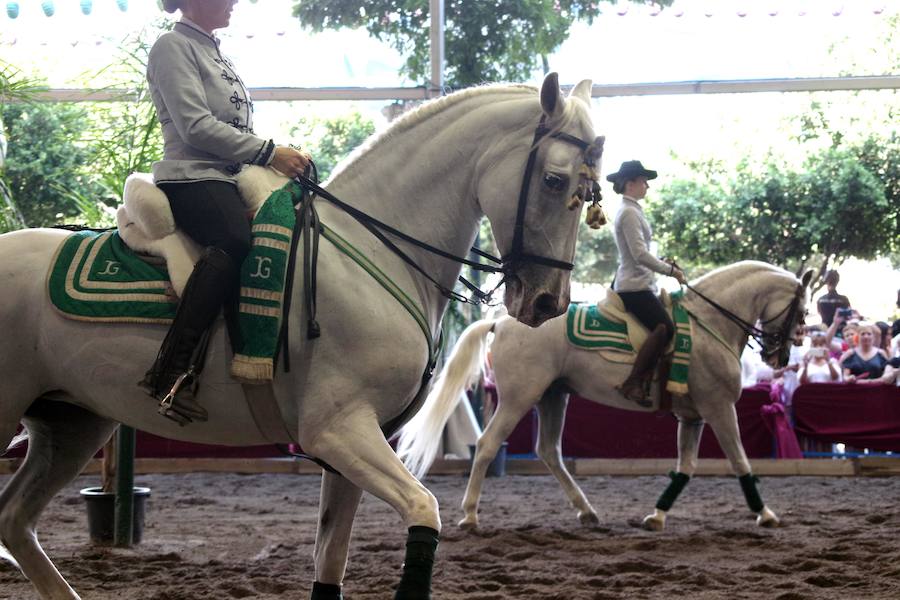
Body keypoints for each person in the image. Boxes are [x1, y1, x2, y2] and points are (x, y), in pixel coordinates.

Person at [142, 0, 311, 425]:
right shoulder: (171, 46)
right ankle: (171, 371)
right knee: (234, 239)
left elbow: (236, 130)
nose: (234, 1)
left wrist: (273, 160)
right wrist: (271, 152)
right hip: (190, 177)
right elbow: (195, 126)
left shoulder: (216, 52)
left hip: (230, 177)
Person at [607, 160, 686, 406]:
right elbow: (640, 255)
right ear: (630, 183)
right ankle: (633, 383)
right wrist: (670, 270)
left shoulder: (631, 209)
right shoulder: (629, 212)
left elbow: (639, 254)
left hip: (639, 282)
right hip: (634, 287)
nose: (647, 186)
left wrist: (662, 263)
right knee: (665, 327)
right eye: (644, 181)